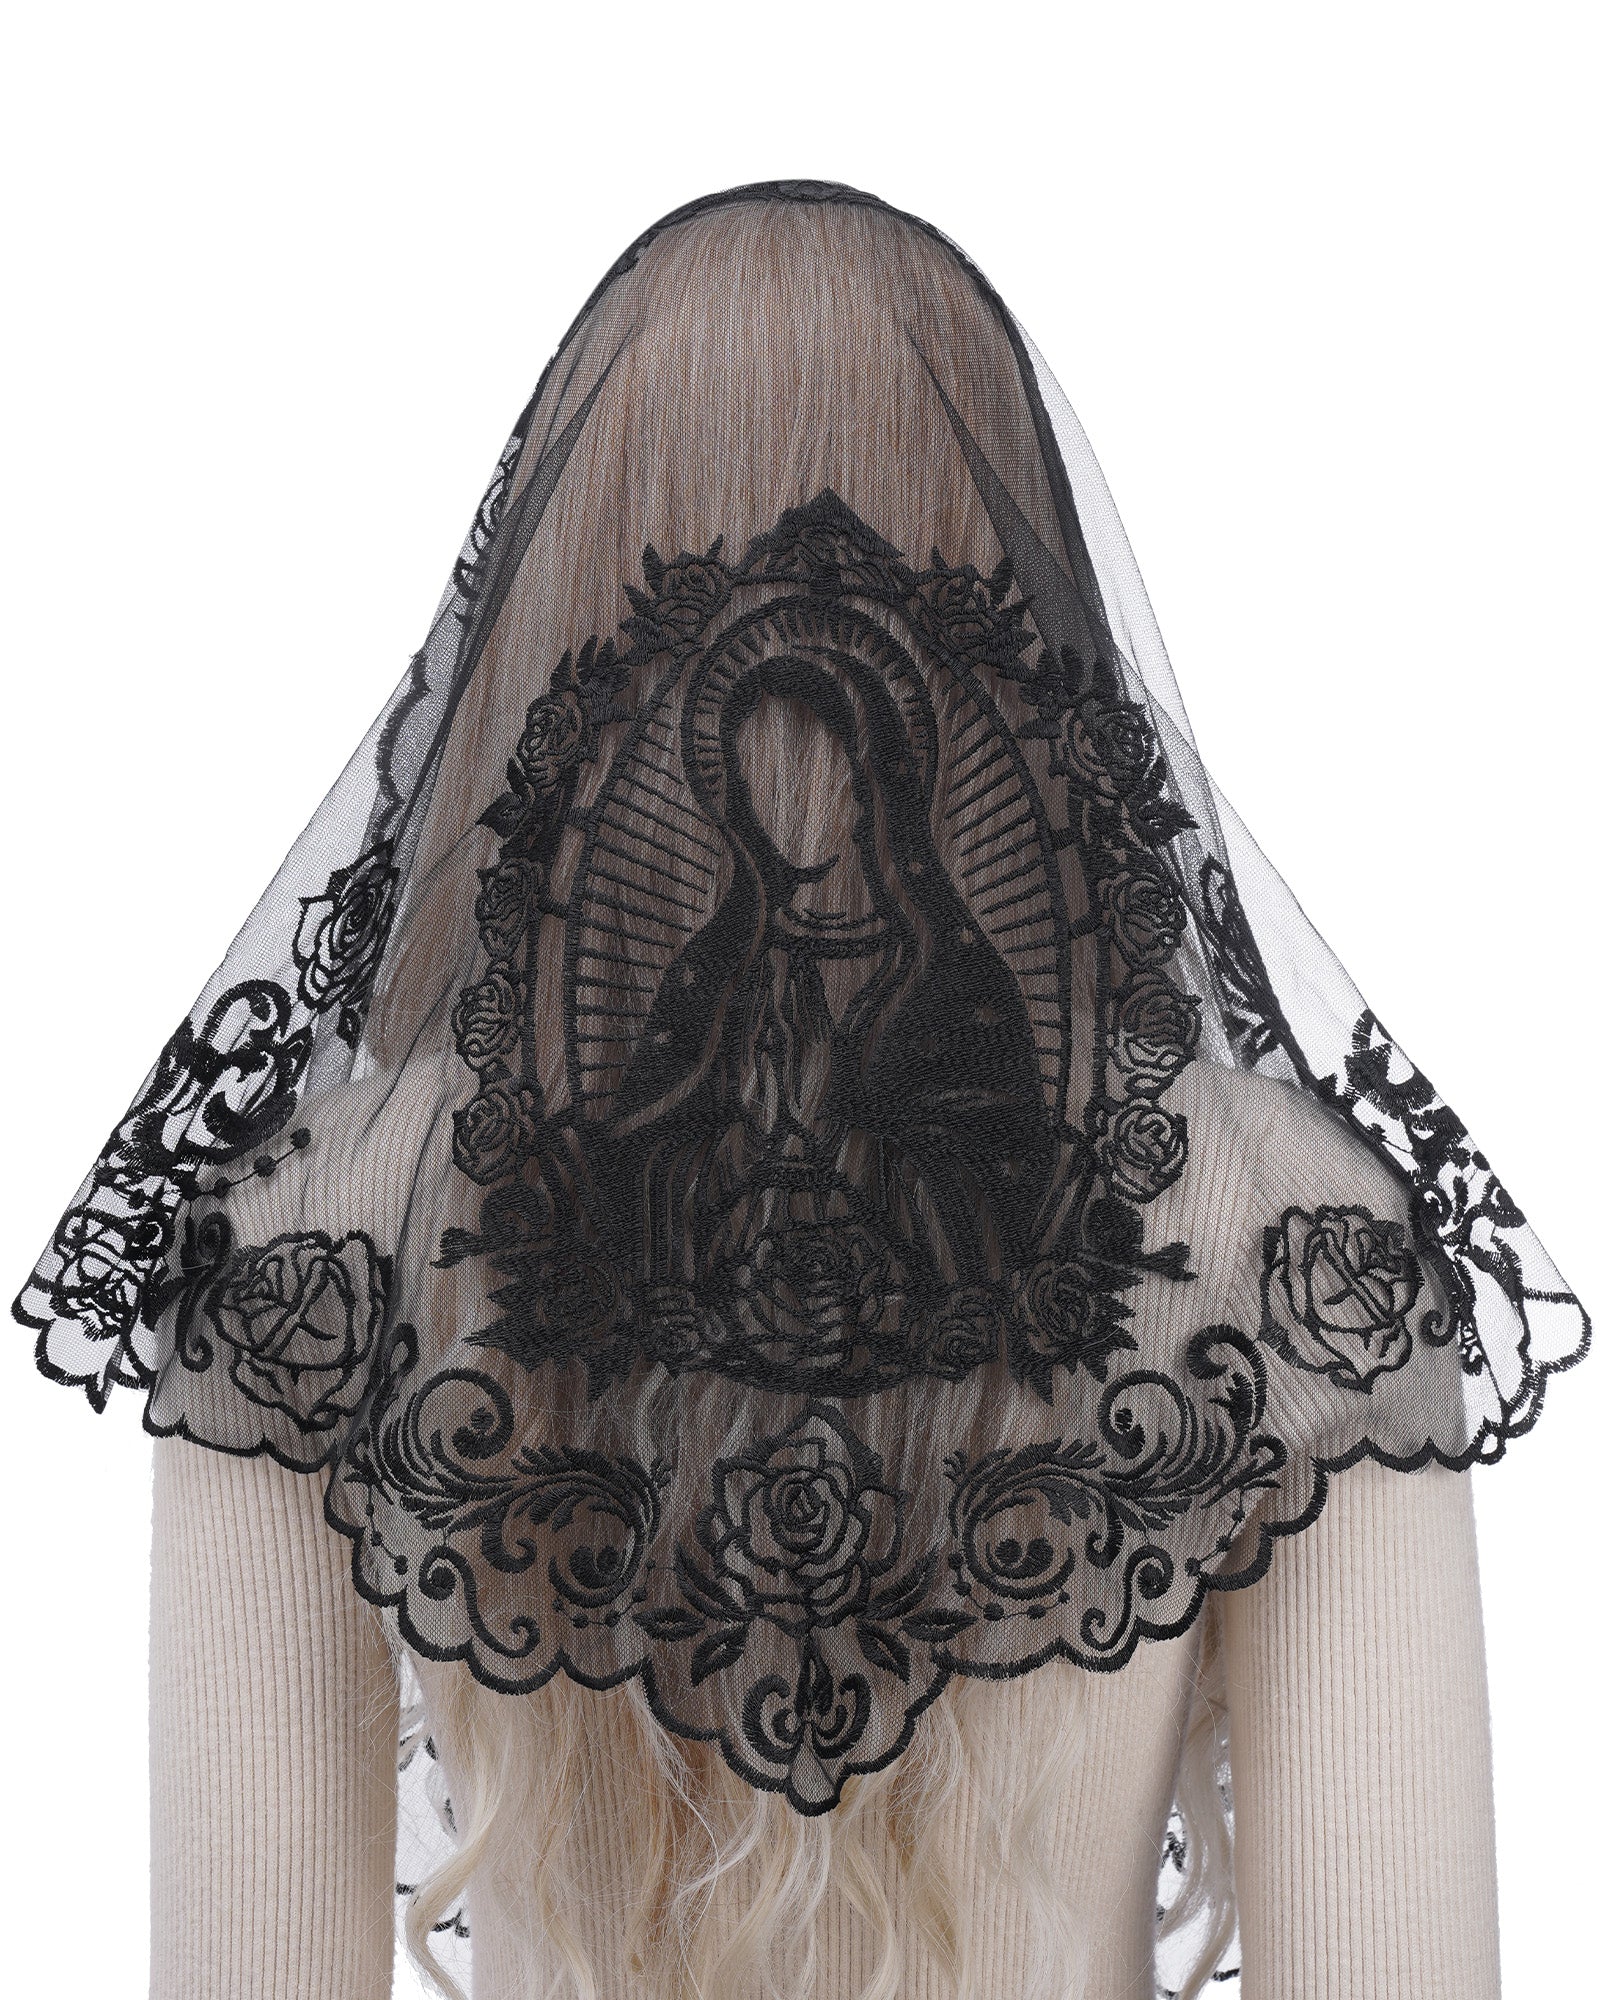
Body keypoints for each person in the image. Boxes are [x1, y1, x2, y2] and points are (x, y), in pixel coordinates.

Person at [18, 182, 1587, 2000]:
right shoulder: (1282, 1237)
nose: (789, 801)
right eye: (756, 757)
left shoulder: (320, 1235)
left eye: (825, 753)